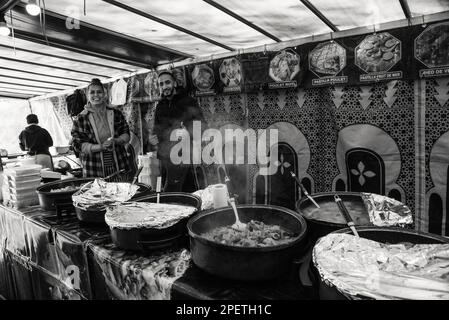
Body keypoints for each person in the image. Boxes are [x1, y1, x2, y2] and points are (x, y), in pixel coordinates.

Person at [149, 70, 205, 192]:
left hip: (185, 159)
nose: (164, 86)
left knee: (188, 194)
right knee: (169, 196)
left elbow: (202, 126)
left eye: (167, 82)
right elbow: (156, 131)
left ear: (174, 83)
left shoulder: (188, 102)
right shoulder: (160, 106)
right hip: (165, 160)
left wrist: (188, 131)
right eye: (161, 84)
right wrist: (153, 139)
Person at [71, 78, 132, 181]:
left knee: (122, 194)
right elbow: (77, 145)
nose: (96, 95)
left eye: (99, 92)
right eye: (92, 92)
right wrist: (100, 147)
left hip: (119, 163)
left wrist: (116, 141)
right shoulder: (81, 118)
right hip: (94, 168)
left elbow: (126, 134)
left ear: (104, 94)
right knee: (98, 195)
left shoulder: (115, 113)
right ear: (87, 95)